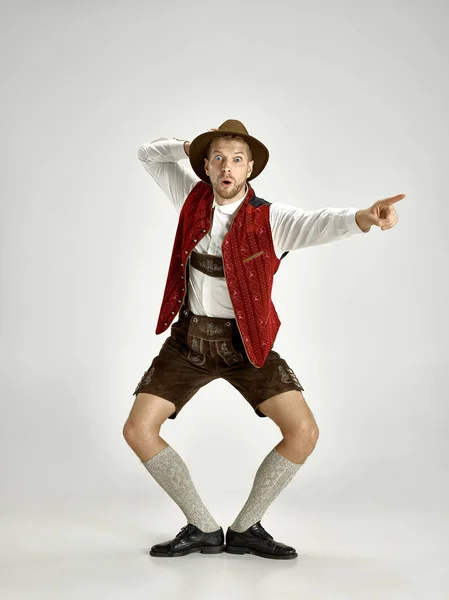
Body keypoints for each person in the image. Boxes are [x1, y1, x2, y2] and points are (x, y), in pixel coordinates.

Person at [123, 119, 403, 560]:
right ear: (206, 167)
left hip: (245, 345)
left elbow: (323, 222)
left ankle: (246, 527)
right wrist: (189, 144)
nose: (227, 167)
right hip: (189, 342)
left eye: (236, 159)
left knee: (304, 433)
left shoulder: (273, 219)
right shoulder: (189, 199)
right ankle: (201, 526)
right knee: (138, 430)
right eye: (217, 159)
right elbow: (147, 154)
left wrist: (365, 217)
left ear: (250, 168)